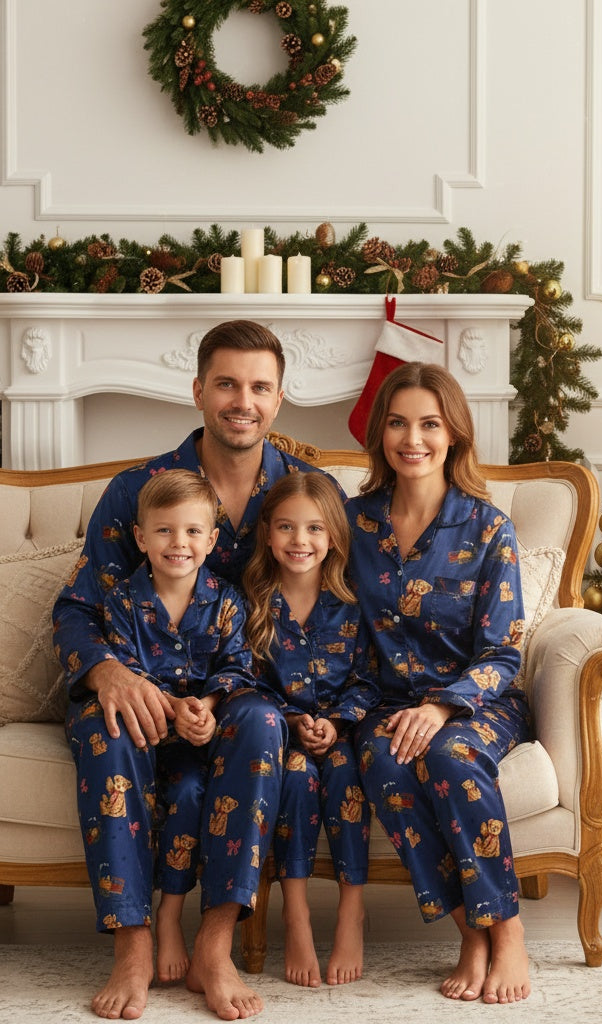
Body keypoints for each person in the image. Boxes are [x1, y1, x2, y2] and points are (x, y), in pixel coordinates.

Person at [54, 320, 328, 1021]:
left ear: (279, 397)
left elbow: (348, 600)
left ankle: (214, 942)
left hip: (235, 691)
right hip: (135, 679)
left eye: (260, 386)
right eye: (228, 383)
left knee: (264, 723)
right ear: (200, 389)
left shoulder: (305, 495)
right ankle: (135, 945)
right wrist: (108, 673)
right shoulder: (136, 491)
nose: (244, 400)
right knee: (109, 724)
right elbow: (79, 608)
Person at [346, 361, 532, 1004]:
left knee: (449, 756)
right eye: (398, 423)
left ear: (454, 434)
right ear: (380, 434)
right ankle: (469, 931)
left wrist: (443, 707)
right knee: (384, 760)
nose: (413, 438)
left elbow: (504, 651)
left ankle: (506, 931)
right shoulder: (351, 524)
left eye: (429, 423)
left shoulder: (488, 528)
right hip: (384, 704)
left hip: (479, 701)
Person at [102, 470, 252, 985]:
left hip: (197, 743)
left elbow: (238, 664)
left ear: (212, 541)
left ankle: (170, 914)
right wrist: (171, 704)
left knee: (190, 793)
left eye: (192, 532)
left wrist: (207, 703)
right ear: (141, 538)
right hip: (146, 735)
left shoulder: (227, 601)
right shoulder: (122, 602)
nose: (178, 544)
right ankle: (142, 932)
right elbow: (125, 669)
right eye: (164, 531)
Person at [242, 472, 378, 988]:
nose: (300, 541)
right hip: (283, 740)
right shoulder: (251, 603)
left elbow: (370, 680)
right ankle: (294, 912)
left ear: (334, 536)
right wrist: (294, 721)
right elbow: (242, 680)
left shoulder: (351, 603)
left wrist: (337, 721)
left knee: (345, 775)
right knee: (297, 778)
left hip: (342, 734)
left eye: (315, 528)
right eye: (287, 528)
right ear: (268, 534)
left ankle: (351, 911)